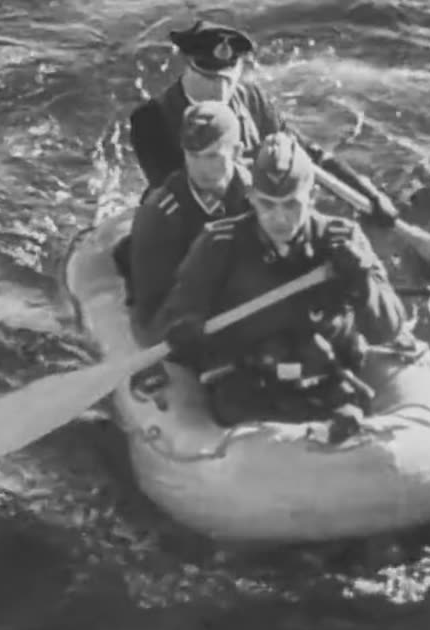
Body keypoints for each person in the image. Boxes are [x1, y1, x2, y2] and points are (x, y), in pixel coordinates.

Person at [148, 131, 407, 434]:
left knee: (348, 415)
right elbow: (173, 317)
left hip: (327, 383)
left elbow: (389, 328)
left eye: (291, 205)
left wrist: (362, 283)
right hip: (249, 388)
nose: (280, 218)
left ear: (311, 198)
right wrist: (184, 328)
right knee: (233, 405)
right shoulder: (220, 244)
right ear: (252, 198)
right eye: (268, 205)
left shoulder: (343, 239)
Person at [127, 20, 399, 228]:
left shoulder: (251, 98)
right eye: (208, 79)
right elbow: (185, 191)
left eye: (227, 79)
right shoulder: (150, 119)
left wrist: (369, 194)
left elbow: (304, 153)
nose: (220, 91)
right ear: (187, 67)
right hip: (184, 222)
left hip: (261, 212)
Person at [119, 101, 251, 325]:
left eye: (211, 156)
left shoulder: (260, 194)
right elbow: (151, 312)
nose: (199, 168)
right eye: (193, 155)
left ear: (237, 151)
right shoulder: (161, 216)